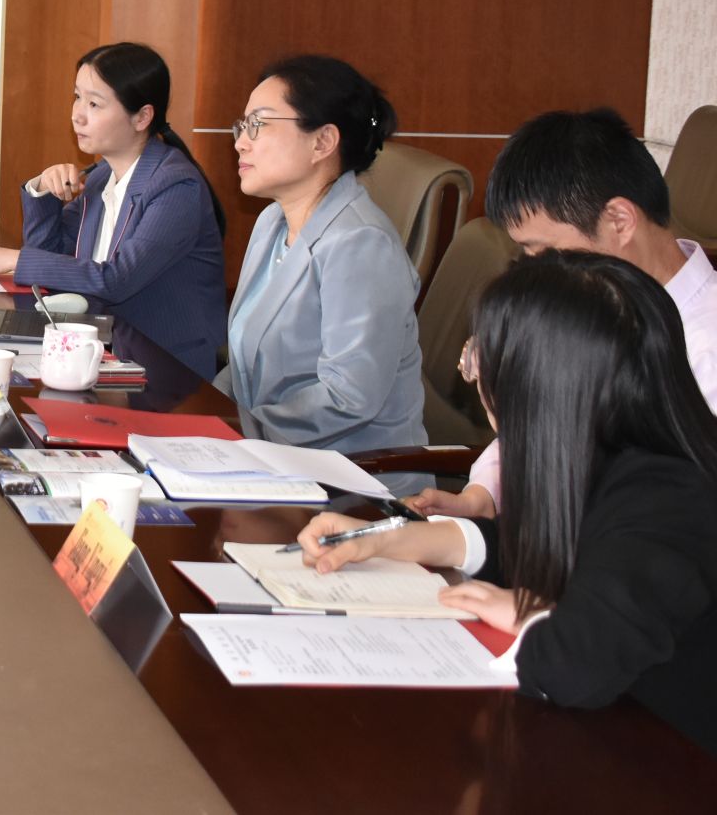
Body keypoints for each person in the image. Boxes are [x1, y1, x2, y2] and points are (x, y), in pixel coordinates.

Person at [297, 252, 717, 756]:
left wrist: (529, 614)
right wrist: (411, 539)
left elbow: (577, 662)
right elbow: (553, 550)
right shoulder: (610, 449)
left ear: (540, 386)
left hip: (666, 761)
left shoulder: (669, 497)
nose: (478, 381)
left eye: (482, 361)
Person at [411, 107, 717, 518]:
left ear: (619, 221)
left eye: (543, 250)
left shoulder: (705, 349)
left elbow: (667, 509)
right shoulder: (599, 307)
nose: (535, 269)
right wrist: (484, 494)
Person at [215, 54, 426, 461]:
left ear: (323, 142)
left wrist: (237, 433)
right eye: (242, 126)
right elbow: (243, 367)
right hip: (271, 455)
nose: (241, 141)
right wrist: (202, 417)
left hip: (352, 474)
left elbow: (348, 396)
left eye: (259, 124)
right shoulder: (272, 221)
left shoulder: (360, 243)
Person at [0, 42, 226, 377]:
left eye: (94, 103)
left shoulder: (176, 187)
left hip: (164, 369)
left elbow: (115, 279)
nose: (77, 114)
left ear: (142, 117)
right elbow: (50, 256)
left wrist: (12, 260)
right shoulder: (102, 175)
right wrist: (43, 191)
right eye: (77, 97)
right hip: (102, 352)